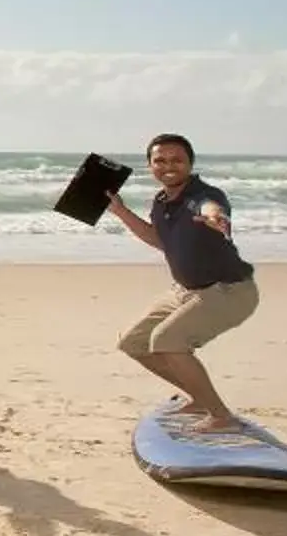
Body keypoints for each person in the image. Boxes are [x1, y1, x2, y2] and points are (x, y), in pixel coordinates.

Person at [104, 133, 257, 435]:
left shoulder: (202, 195)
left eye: (177, 160)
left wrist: (215, 217)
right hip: (186, 291)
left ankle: (221, 416)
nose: (168, 166)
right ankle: (201, 400)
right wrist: (120, 211)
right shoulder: (162, 202)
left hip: (228, 291)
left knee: (167, 341)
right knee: (133, 342)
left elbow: (210, 207)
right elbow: (160, 241)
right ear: (150, 165)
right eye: (159, 160)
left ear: (190, 164)